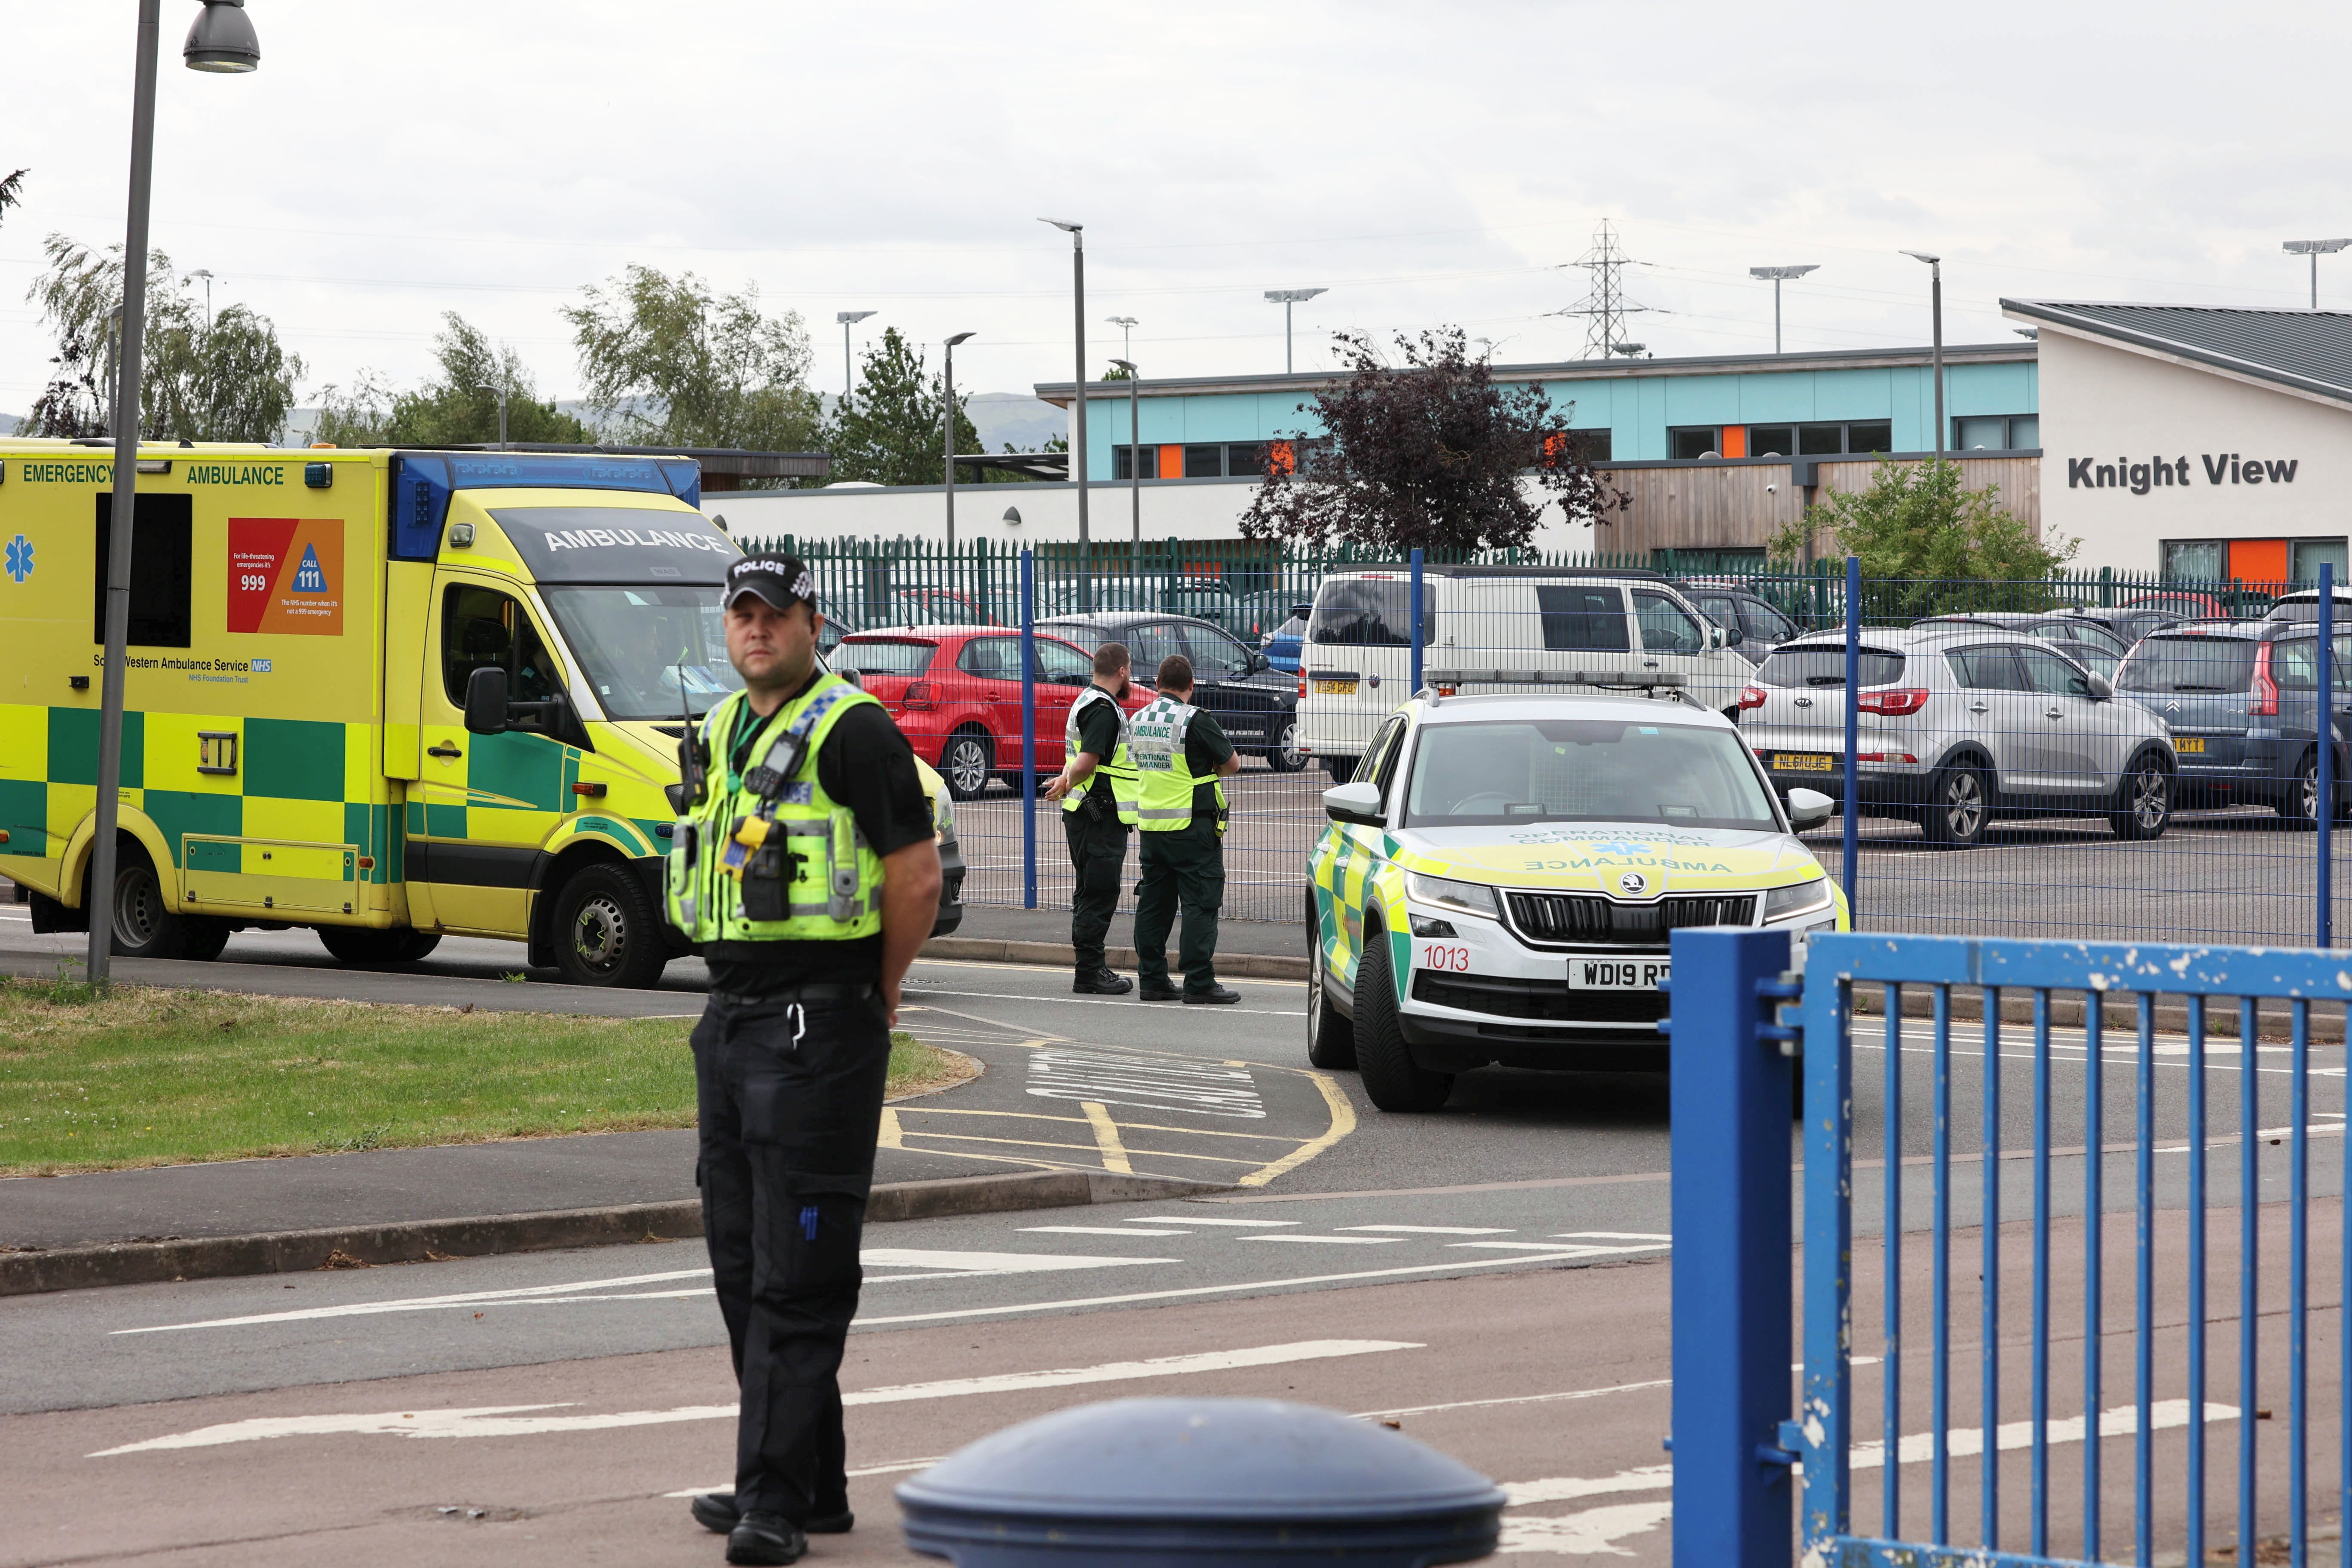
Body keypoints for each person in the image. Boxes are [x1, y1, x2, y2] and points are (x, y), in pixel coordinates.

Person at [665, 554, 943, 1566]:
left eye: (773, 614)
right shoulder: (726, 728)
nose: (755, 630)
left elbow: (913, 877)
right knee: (740, 1257)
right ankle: (810, 1481)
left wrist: (881, 988)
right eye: (740, 614)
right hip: (732, 1013)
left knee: (800, 1266)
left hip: (818, 1018)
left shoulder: (853, 729)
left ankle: (771, 1501)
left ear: (811, 623)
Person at [1127, 653, 1243, 1004]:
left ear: (1157, 685)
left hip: (1152, 830)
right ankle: (1198, 982)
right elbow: (1233, 764)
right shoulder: (1195, 720)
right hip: (1192, 828)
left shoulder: (1138, 719)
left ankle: (1152, 980)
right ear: (1191, 686)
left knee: (1154, 906)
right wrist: (1207, 772)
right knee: (1200, 904)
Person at [1043, 641, 1138, 995]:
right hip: (1098, 814)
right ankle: (1090, 971)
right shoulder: (1102, 708)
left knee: (1089, 890)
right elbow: (1087, 761)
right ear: (1122, 672)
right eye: (1130, 670)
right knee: (1099, 891)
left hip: (1086, 812)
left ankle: (1090, 967)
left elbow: (1079, 758)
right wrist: (1067, 782)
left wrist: (1065, 781)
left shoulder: (1086, 699)